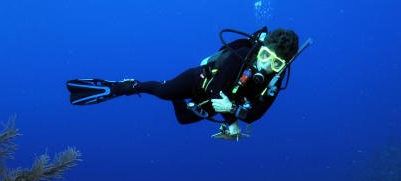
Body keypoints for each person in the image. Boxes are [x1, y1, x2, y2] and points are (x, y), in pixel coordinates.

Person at [67, 27, 305, 140]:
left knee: (183, 119)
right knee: (164, 92)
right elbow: (216, 89)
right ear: (261, 48)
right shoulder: (242, 53)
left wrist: (231, 110)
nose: (265, 65)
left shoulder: (275, 80)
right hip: (201, 80)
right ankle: (127, 86)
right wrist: (232, 121)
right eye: (265, 55)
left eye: (275, 63)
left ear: (283, 65)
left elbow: (256, 115)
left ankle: (180, 100)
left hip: (221, 102)